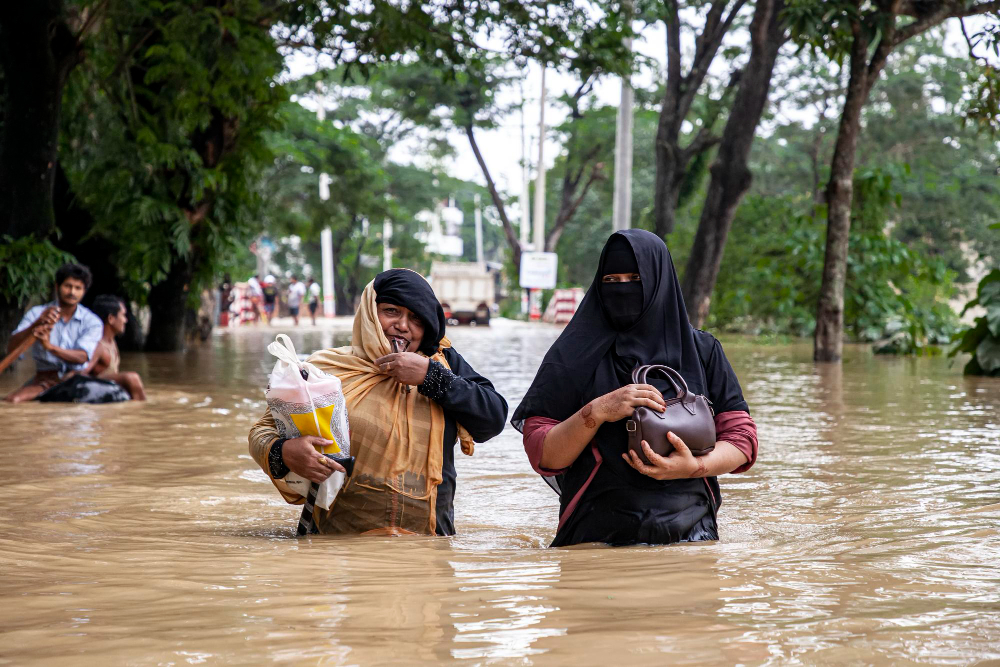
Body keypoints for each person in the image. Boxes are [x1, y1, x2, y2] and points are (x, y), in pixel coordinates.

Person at [511, 230, 758, 547]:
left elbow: (743, 441)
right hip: (593, 541)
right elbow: (543, 454)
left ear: (659, 280)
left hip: (694, 539)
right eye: (611, 280)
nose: (623, 289)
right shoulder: (572, 356)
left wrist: (693, 467)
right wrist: (598, 411)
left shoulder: (703, 351)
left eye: (635, 278)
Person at [249, 268, 508, 536]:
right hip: (338, 553)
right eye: (391, 311)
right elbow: (262, 432)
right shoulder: (324, 371)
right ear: (370, 313)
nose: (403, 325)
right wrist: (286, 451)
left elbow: (493, 418)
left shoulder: (443, 365)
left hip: (428, 550)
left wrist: (431, 377)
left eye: (416, 318)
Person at [4, 264, 104, 404]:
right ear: (57, 287)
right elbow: (11, 349)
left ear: (84, 291)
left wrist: (49, 347)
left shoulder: (92, 321)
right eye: (68, 286)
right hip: (44, 379)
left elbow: (82, 357)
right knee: (12, 401)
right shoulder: (36, 313)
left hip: (75, 379)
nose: (72, 292)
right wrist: (36, 324)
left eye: (78, 288)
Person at [83, 295, 147, 400]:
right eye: (123, 315)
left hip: (112, 393)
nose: (125, 320)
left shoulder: (112, 341)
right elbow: (82, 373)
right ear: (111, 319)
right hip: (100, 393)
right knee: (132, 378)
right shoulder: (98, 346)